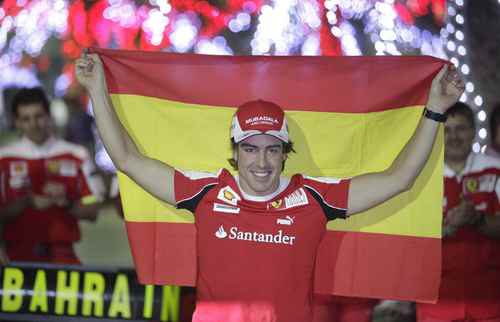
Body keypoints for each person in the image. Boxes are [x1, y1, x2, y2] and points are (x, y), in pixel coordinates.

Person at [76, 53, 464, 322]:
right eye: (250, 149)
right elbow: (126, 159)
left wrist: (434, 109)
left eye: (271, 150)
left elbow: (400, 179)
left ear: (284, 153)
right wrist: (96, 90)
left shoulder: (314, 197)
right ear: (235, 151)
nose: (261, 162)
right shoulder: (204, 192)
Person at [0, 87, 105, 265]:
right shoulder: (4, 159)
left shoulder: (76, 155)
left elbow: (92, 210)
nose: (34, 124)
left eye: (39, 116)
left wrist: (67, 202)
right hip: (13, 259)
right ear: (16, 122)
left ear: (50, 116)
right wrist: (25, 202)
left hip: (63, 256)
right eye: (26, 119)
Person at [417, 102, 500, 322]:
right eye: (446, 130)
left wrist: (477, 218)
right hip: (436, 300)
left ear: (474, 130)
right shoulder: (420, 176)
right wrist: (447, 228)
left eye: (461, 128)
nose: (453, 137)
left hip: (489, 298)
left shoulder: (496, 168)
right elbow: (411, 238)